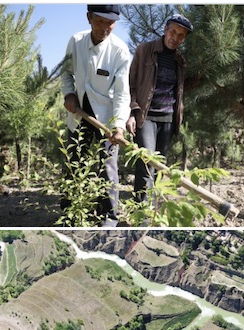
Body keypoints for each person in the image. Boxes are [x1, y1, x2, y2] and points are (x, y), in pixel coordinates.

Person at [61, 5, 131, 227]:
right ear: (89, 18)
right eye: (100, 21)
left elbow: (122, 94)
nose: (105, 28)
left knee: (108, 168)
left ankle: (108, 218)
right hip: (79, 114)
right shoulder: (76, 42)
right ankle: (70, 213)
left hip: (107, 120)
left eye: (110, 23)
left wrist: (119, 126)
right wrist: (69, 93)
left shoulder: (120, 51)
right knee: (73, 163)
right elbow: (66, 72)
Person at [126, 13, 195, 201]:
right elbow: (131, 83)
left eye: (181, 35)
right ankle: (140, 209)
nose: (175, 38)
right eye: (173, 32)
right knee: (147, 162)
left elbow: (178, 90)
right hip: (145, 117)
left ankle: (152, 210)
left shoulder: (179, 60)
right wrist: (132, 112)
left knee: (160, 168)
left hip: (168, 120)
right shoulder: (144, 50)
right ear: (165, 30)